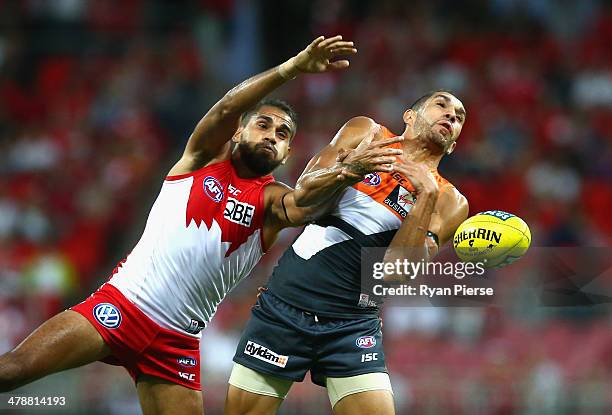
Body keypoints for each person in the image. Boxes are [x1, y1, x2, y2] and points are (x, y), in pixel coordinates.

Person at [0, 35, 403, 415]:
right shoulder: (202, 159)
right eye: (263, 125)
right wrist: (293, 67)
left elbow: (302, 207)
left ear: (286, 154)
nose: (272, 136)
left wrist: (349, 171)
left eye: (283, 134)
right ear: (239, 131)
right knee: (13, 372)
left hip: (177, 343)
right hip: (123, 307)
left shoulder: (270, 201)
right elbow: (226, 108)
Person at [225, 90, 470, 415]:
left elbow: (394, 274)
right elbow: (303, 197)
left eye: (459, 117)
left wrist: (424, 195)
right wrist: (351, 169)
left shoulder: (449, 201)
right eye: (441, 105)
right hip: (285, 306)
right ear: (409, 116)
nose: (451, 116)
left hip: (352, 325)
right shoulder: (365, 132)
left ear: (453, 144)